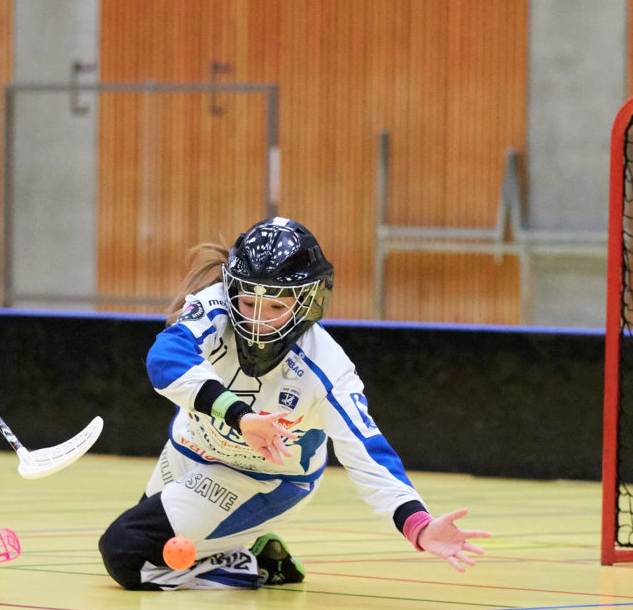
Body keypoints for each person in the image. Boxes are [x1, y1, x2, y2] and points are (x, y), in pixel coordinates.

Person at [97, 217, 491, 590]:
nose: (256, 321)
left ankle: (249, 564)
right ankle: (249, 545)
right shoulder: (213, 305)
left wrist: (418, 525)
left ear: (308, 303)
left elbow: (367, 453)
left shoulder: (327, 368)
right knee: (144, 538)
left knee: (127, 554)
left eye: (275, 307)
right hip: (190, 451)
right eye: (249, 302)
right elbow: (166, 359)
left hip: (263, 480)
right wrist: (240, 416)